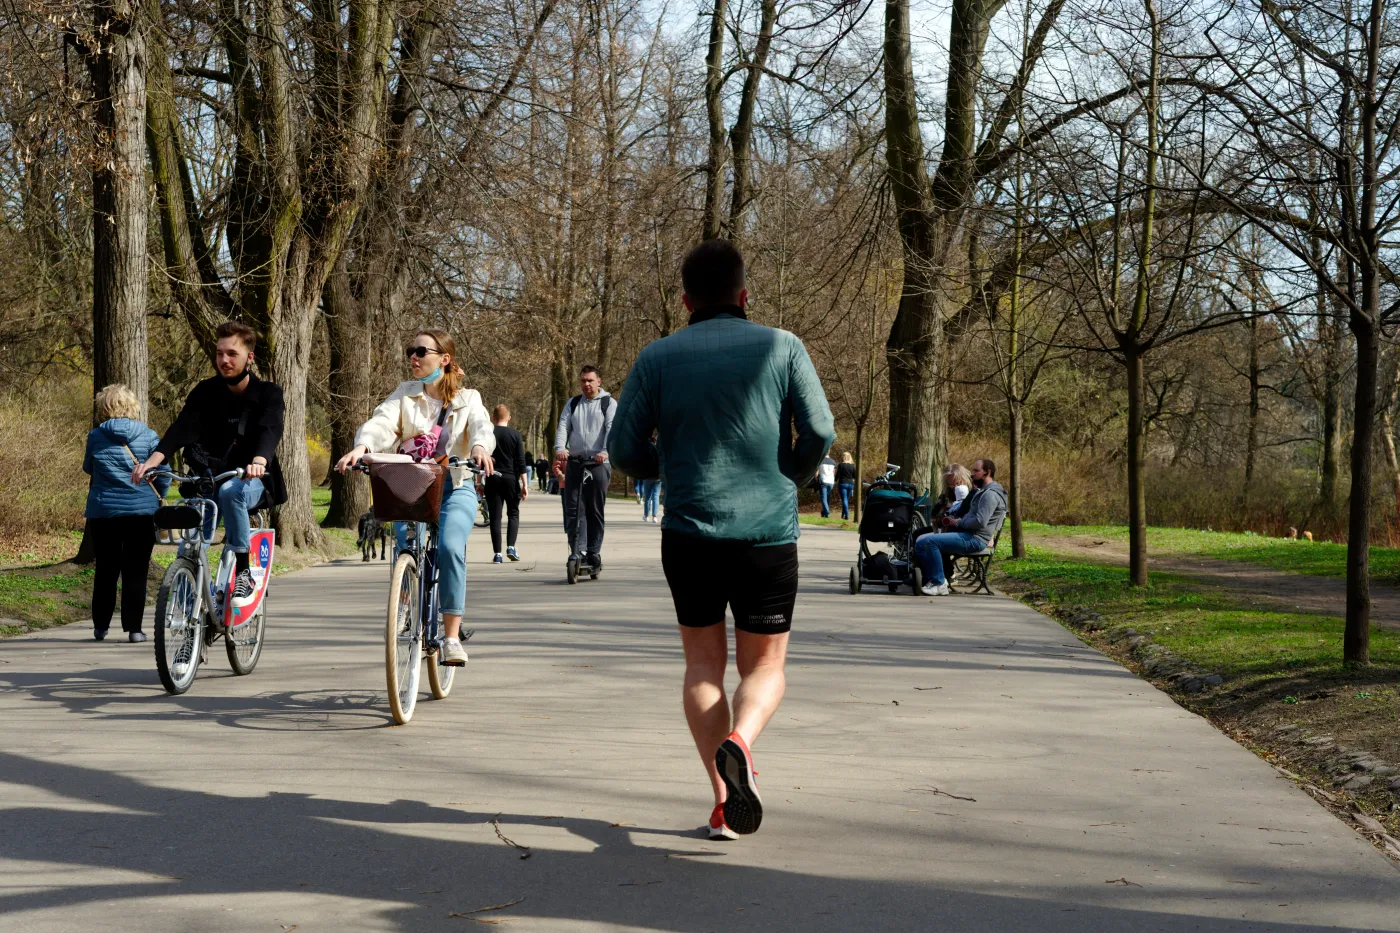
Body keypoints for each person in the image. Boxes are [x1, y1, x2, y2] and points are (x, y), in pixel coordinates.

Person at [611, 238, 836, 840]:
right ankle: (742, 740)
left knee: (703, 666)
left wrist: (670, 466)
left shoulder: (657, 357)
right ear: (744, 295)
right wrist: (791, 470)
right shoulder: (783, 347)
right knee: (765, 665)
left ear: (685, 299)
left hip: (689, 530)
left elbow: (626, 450)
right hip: (767, 532)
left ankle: (721, 800)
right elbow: (819, 429)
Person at [333, 329, 495, 666]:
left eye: (421, 351)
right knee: (406, 547)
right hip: (410, 486)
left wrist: (479, 447)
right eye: (411, 350)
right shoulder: (405, 395)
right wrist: (362, 447)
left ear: (444, 358)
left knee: (450, 547)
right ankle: (403, 601)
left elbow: (481, 427)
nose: (414, 357)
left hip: (454, 485)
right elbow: (382, 423)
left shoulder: (469, 398)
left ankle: (451, 636)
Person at [133, 321, 285, 610]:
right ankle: (189, 607)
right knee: (191, 539)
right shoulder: (205, 392)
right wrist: (151, 463)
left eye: (232, 354)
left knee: (231, 491)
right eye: (219, 353)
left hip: (250, 479)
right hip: (207, 478)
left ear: (249, 357)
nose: (224, 360)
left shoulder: (268, 394)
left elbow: (270, 428)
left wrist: (258, 460)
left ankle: (243, 573)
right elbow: (180, 430)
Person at [84, 384, 171, 642]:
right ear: (132, 406)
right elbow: (161, 474)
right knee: (136, 570)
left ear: (104, 408)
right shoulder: (148, 435)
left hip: (104, 512)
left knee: (106, 569)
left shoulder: (95, 436)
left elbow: (89, 467)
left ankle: (100, 626)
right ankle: (134, 630)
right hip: (140, 511)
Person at [552, 365, 615, 572]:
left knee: (593, 509)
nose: (586, 384)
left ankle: (594, 551)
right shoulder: (573, 403)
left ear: (599, 381)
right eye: (583, 381)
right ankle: (576, 550)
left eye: (590, 380)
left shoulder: (608, 403)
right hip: (576, 463)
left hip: (598, 463)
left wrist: (605, 451)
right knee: (572, 509)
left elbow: (611, 429)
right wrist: (561, 448)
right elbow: (563, 426)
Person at [914, 458, 1007, 596]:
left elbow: (979, 522)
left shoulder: (990, 495)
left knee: (930, 541)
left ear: (987, 472)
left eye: (976, 471)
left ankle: (939, 582)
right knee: (920, 543)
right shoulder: (983, 492)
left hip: (975, 539)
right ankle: (932, 580)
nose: (972, 474)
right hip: (969, 534)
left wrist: (957, 522)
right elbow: (971, 516)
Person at [485, 404, 529, 562]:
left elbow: (482, 459)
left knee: (495, 517)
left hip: (492, 477)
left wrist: (479, 482)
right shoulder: (515, 434)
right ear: (509, 418)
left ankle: (497, 554)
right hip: (511, 479)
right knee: (513, 513)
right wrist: (525, 485)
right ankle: (511, 546)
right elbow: (521, 461)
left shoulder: (488, 434)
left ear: (493, 418)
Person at [835, 452, 857, 520]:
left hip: (843, 483)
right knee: (846, 500)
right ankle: (843, 514)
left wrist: (835, 480)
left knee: (844, 499)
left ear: (843, 457)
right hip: (850, 484)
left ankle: (847, 515)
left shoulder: (841, 465)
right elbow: (855, 476)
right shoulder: (852, 466)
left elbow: (837, 475)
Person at [817, 451, 837, 517]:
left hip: (823, 480)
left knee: (823, 498)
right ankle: (824, 513)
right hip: (831, 481)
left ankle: (827, 512)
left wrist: (816, 478)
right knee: (828, 498)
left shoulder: (821, 461)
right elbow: (834, 473)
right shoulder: (833, 462)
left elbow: (817, 473)